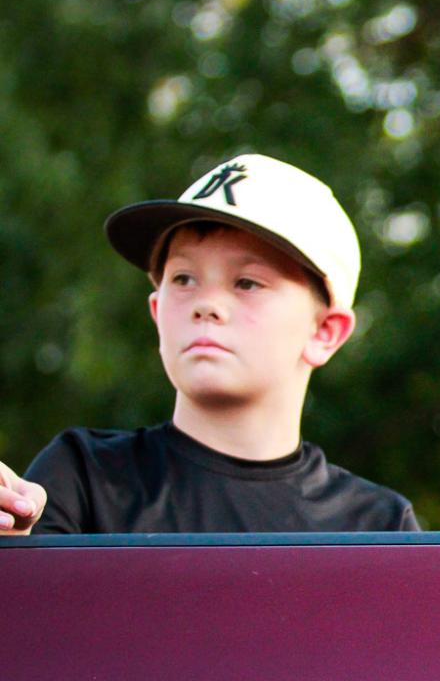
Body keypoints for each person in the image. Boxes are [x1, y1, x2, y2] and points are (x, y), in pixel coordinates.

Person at [0, 154, 418, 535]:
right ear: (156, 310)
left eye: (247, 282)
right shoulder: (83, 479)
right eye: (183, 279)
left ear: (324, 331)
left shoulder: (378, 527)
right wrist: (16, 554)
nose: (207, 304)